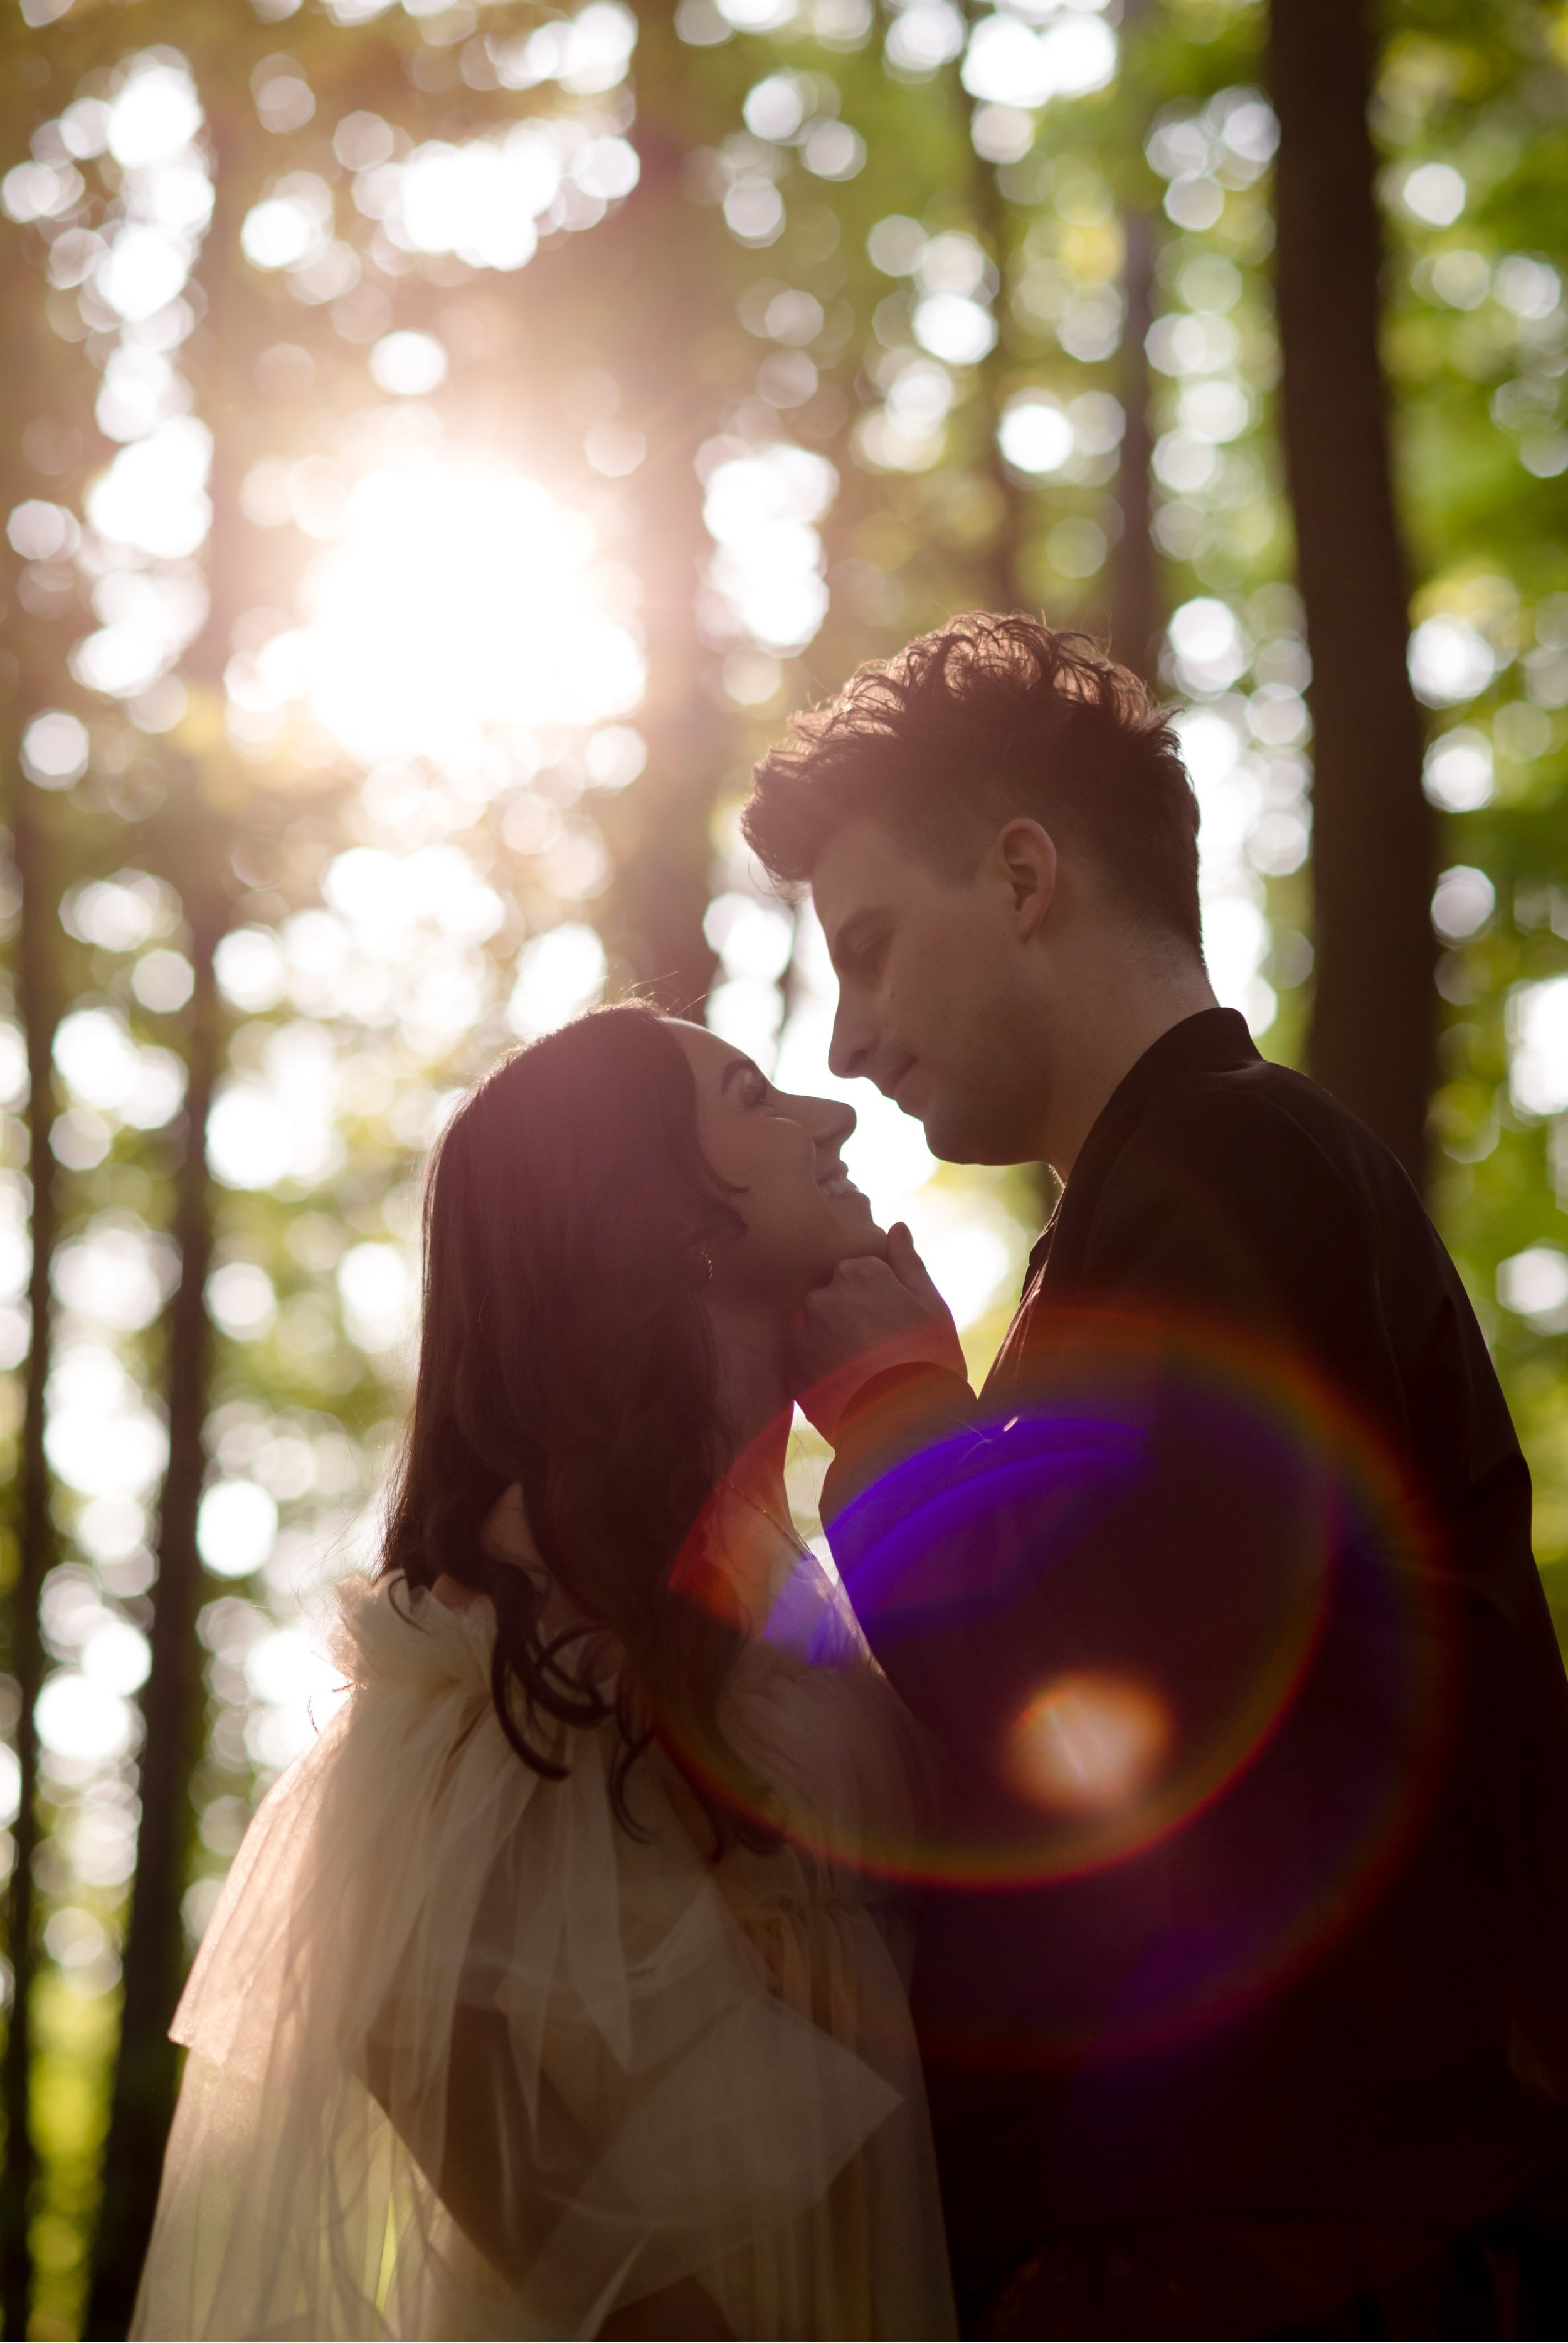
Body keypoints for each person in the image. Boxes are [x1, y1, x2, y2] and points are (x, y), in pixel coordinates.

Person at [741, 614, 1568, 2340]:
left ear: (1024, 874)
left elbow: (1109, 1737)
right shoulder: (1148, 1223)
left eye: (871, 949)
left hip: (1271, 2238)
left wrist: (898, 1426)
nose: (849, 1041)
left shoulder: (1231, 1173)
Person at [132, 1006, 956, 2343]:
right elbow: (413, 2030)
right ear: (660, 1210)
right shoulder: (515, 1612)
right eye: (755, 1096)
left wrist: (912, 1424)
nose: (835, 1114)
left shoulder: (779, 1592)